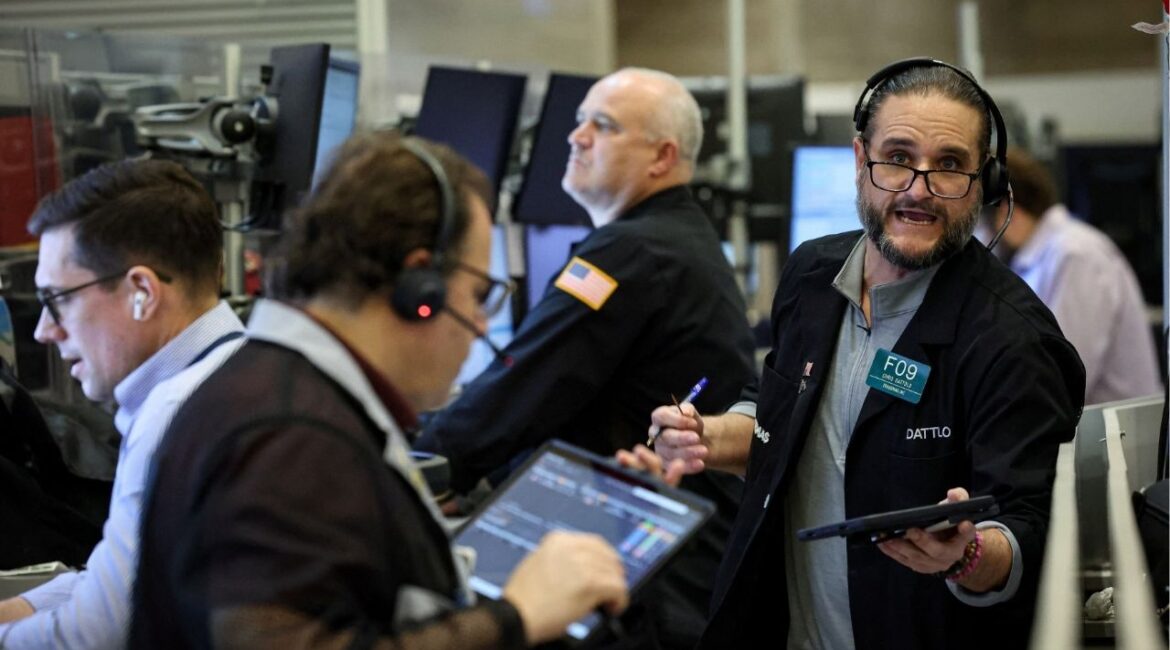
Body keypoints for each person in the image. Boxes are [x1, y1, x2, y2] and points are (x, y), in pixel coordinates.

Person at [636, 59, 1085, 650]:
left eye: (949, 165)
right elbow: (776, 410)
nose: (918, 189)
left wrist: (967, 553)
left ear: (981, 184)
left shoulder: (1012, 339)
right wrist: (706, 436)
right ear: (858, 160)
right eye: (897, 156)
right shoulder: (811, 275)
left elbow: (1030, 531)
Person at [131, 134, 628, 649]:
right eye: (479, 295)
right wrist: (515, 617)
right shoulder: (293, 435)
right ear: (421, 290)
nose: (481, 323)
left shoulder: (285, 392)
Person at [415, 67, 756, 647]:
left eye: (603, 125)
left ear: (661, 156)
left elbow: (519, 388)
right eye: (579, 122)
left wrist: (422, 464)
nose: (576, 137)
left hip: (658, 582)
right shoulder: (670, 236)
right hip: (687, 553)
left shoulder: (631, 252)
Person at [0, 159, 245, 648]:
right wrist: (22, 608)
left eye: (57, 299)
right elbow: (127, 581)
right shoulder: (236, 370)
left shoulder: (179, 415)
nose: (42, 331)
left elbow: (98, 636)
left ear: (141, 292)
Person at [981, 146, 1161, 404]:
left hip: (1114, 437)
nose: (982, 240)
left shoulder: (1075, 255)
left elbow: (1060, 378)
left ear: (1008, 212)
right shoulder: (1036, 258)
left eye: (982, 226)